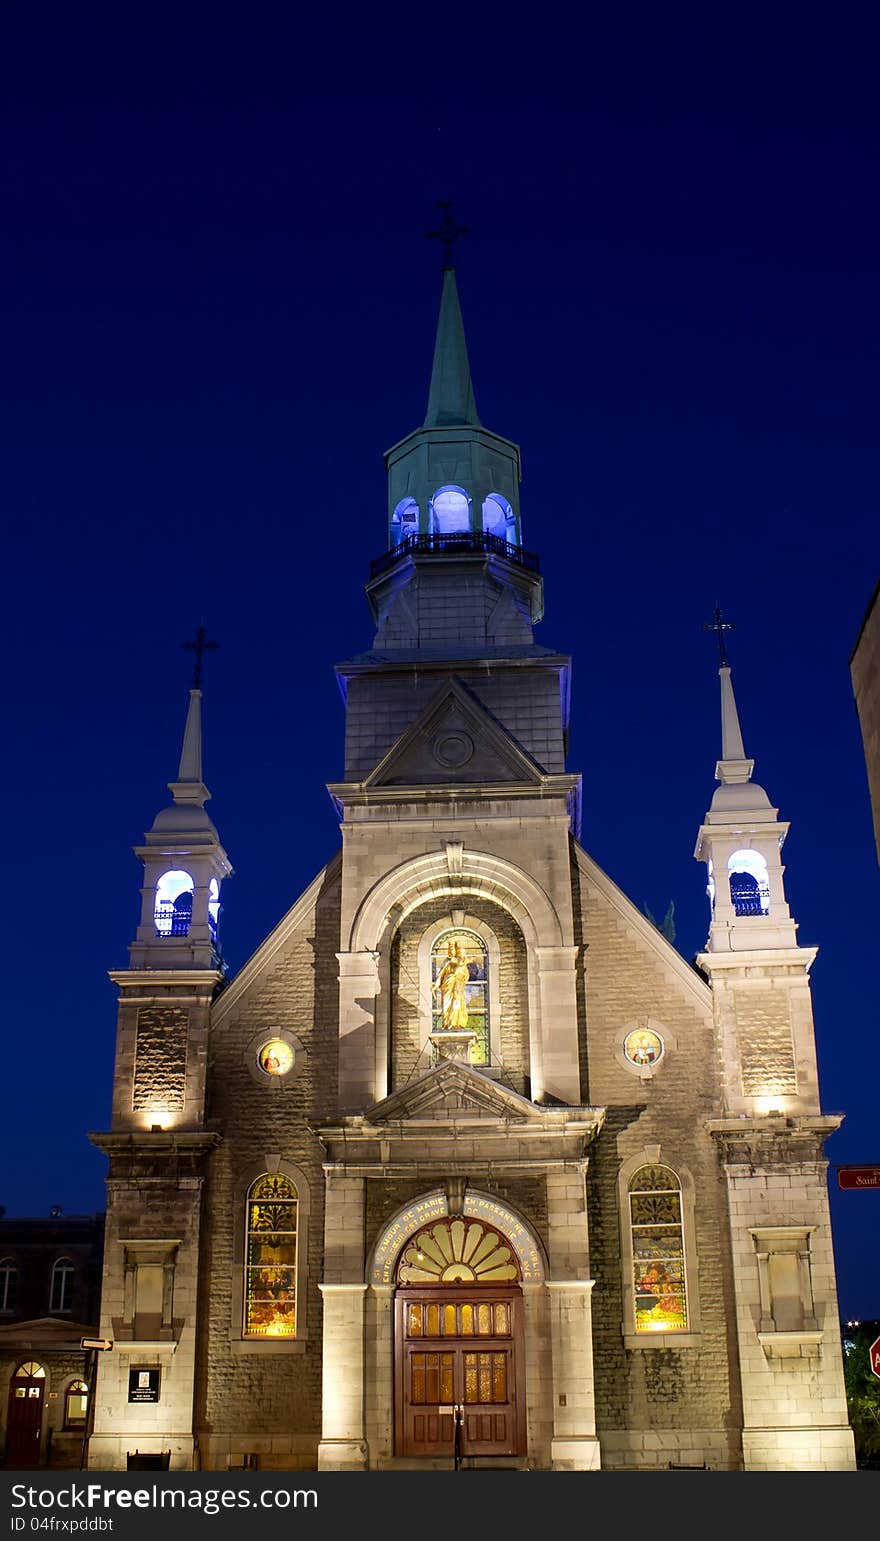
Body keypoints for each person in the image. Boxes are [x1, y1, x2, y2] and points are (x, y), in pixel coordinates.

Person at [434, 941, 470, 1029]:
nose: (451, 952)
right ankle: (447, 1022)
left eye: (453, 950)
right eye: (449, 950)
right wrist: (435, 985)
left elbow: (466, 976)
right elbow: (440, 975)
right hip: (447, 986)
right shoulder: (446, 962)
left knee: (457, 1003)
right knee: (446, 1005)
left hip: (457, 987)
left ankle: (456, 1023)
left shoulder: (461, 963)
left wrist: (458, 974)